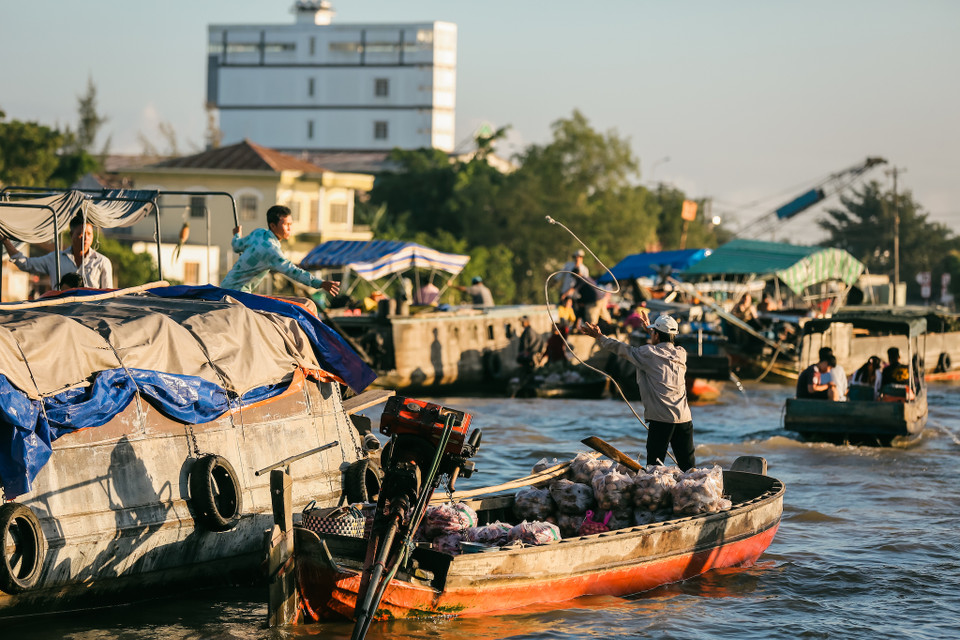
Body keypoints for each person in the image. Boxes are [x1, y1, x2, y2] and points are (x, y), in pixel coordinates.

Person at [581, 311, 696, 470]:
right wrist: (651, 330)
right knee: (689, 468)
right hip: (684, 419)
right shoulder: (681, 354)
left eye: (653, 333)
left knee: (654, 468)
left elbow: (621, 348)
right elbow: (664, 341)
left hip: (661, 420)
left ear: (656, 334)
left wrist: (600, 337)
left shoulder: (648, 353)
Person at [221, 205, 339, 296]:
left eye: (290, 224)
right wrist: (320, 283)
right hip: (237, 294)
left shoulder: (258, 233)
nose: (289, 228)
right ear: (273, 226)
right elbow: (294, 272)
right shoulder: (271, 251)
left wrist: (237, 234)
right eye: (286, 224)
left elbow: (237, 246)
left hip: (224, 286)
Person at [3, 213, 113, 290]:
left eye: (89, 234)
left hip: (89, 317)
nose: (86, 238)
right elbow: (26, 264)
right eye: (81, 233)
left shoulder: (102, 262)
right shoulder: (55, 259)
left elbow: (108, 295)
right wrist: (5, 241)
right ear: (71, 234)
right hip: (60, 315)